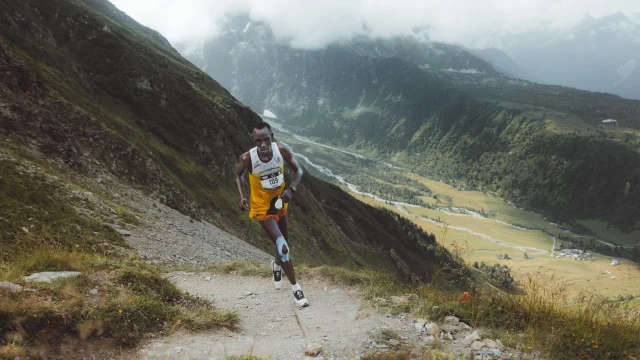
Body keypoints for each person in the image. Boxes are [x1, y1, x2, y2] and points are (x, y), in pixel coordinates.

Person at [235, 121, 308, 307]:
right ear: (253, 140)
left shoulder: (281, 150)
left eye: (267, 140)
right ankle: (296, 289)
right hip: (261, 208)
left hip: (280, 204)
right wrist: (243, 197)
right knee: (283, 246)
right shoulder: (247, 159)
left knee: (283, 240)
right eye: (259, 141)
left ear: (272, 136)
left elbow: (298, 170)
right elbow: (238, 174)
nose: (264, 145)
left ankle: (276, 266)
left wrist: (292, 188)